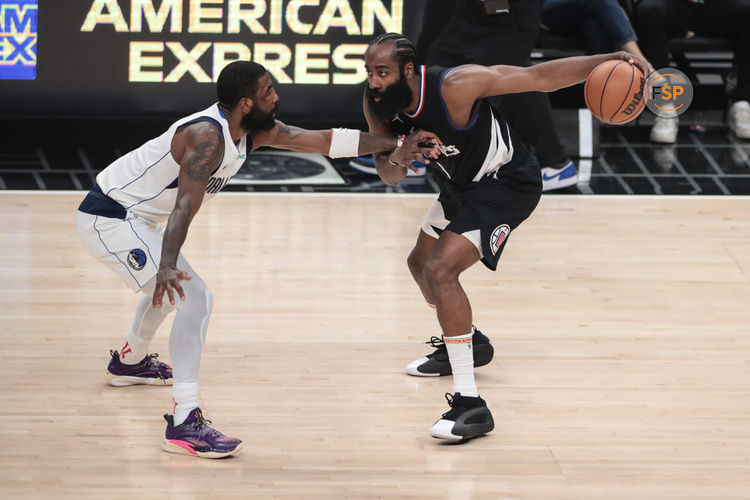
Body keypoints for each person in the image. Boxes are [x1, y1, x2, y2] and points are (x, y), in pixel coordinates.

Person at [76, 60, 439, 458]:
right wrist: (166, 264)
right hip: (110, 217)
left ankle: (130, 362)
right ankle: (183, 423)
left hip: (140, 218)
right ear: (247, 102)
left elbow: (322, 140)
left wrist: (394, 145)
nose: (277, 96)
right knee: (194, 298)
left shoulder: (252, 131)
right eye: (269, 92)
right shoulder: (207, 138)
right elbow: (183, 208)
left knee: (173, 290)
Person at [363, 33, 647, 441]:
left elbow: (538, 77)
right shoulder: (377, 102)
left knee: (441, 269)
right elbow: (388, 175)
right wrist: (400, 155)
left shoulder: (455, 86)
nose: (373, 81)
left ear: (408, 71)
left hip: (507, 183)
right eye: (370, 72)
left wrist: (611, 57)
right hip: (460, 186)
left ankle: (470, 404)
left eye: (382, 72)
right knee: (418, 265)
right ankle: (468, 342)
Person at [420, 0, 578, 192]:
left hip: (510, 16)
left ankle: (468, 168)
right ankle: (555, 162)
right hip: (469, 13)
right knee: (434, 71)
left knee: (491, 90)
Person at [633, 0, 750, 142]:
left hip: (717, 6)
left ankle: (741, 102)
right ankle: (664, 105)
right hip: (672, 6)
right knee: (649, 10)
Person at [540, 0, 654, 73]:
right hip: (553, 9)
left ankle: (603, 104)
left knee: (596, 26)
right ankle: (642, 63)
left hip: (595, 10)